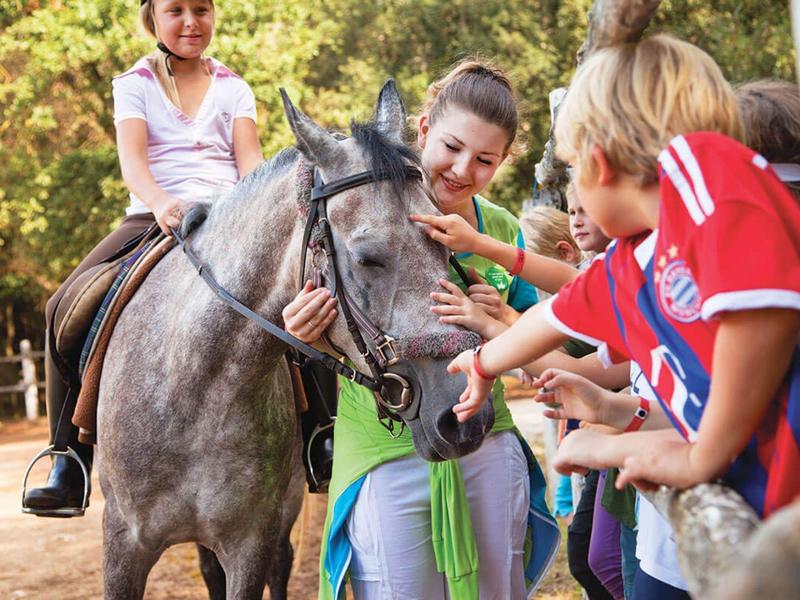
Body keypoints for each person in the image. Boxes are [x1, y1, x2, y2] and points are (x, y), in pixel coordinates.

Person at [446, 33, 800, 523]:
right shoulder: (634, 259)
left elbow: (762, 313)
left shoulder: (714, 177)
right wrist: (483, 364)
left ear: (599, 163)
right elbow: (553, 316)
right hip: (761, 513)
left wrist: (700, 455)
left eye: (573, 170)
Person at [282, 59, 559, 600]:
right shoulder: (363, 218)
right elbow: (321, 323)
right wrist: (300, 332)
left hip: (486, 436)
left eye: (484, 159)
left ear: (504, 161)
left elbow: (541, 331)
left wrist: (498, 321)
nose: (461, 169)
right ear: (424, 127)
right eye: (452, 147)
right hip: (384, 448)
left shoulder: (500, 229)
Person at [23, 0, 261, 513]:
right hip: (154, 216)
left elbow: (252, 166)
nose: (191, 22)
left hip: (228, 219)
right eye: (175, 10)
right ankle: (69, 457)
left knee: (305, 290)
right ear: (152, 17)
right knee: (59, 306)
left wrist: (253, 217)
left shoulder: (234, 88)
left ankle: (320, 433)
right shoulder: (133, 84)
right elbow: (133, 162)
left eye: (201, 9)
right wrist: (161, 204)